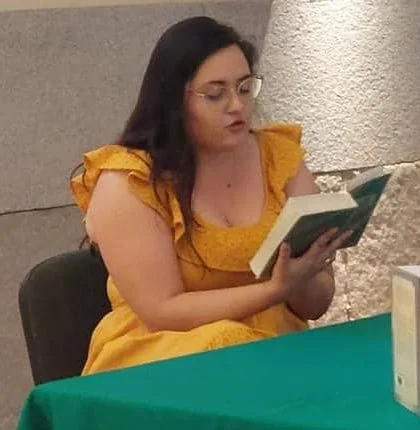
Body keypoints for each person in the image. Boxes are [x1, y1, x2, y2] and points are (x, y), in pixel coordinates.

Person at [69, 16, 352, 375]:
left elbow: (316, 305)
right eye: (216, 94)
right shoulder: (129, 178)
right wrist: (273, 291)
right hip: (163, 352)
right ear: (173, 100)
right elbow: (162, 311)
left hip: (270, 350)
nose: (236, 106)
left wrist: (302, 275)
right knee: (231, 345)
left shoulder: (279, 157)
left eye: (245, 89)